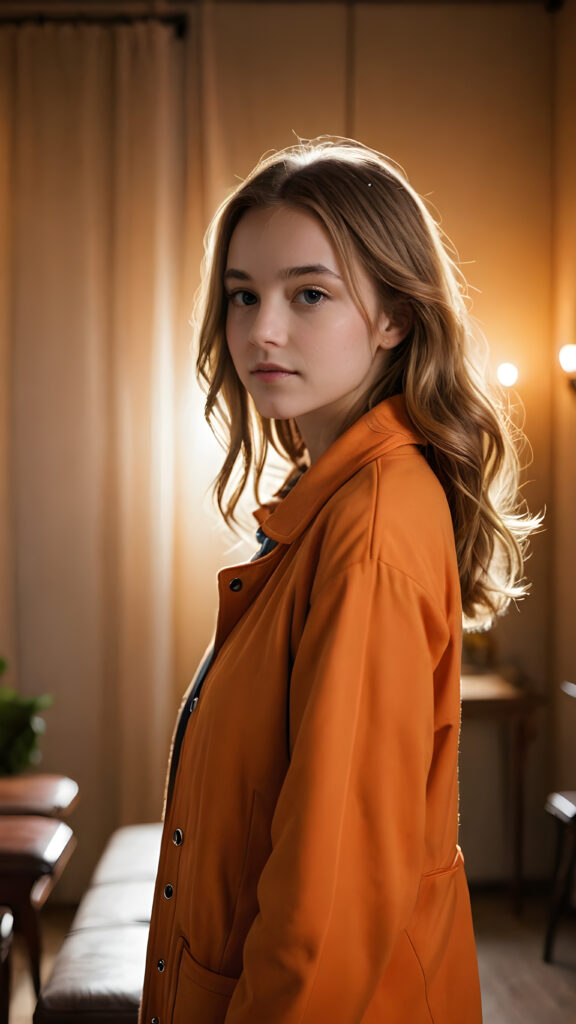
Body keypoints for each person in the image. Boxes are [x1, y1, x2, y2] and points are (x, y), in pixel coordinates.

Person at [140, 139, 538, 1024]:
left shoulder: (370, 525)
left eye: (307, 294)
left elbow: (333, 889)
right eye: (243, 295)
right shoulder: (328, 501)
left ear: (395, 315)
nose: (260, 329)